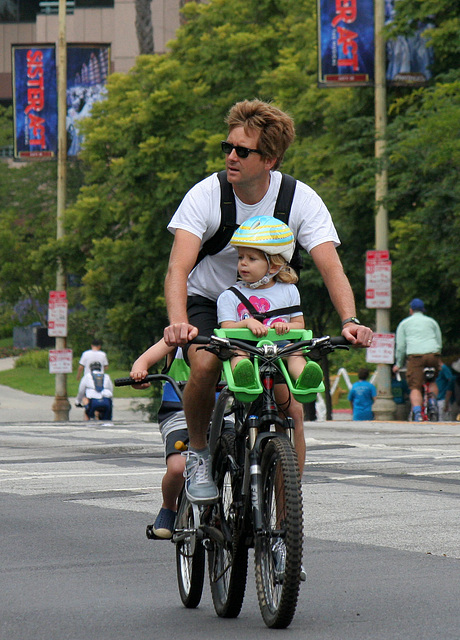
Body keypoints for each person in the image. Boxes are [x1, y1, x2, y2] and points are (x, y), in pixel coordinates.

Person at [163, 98, 373, 504]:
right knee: (205, 361)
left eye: (243, 150)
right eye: (227, 147)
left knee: (292, 409)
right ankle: (199, 454)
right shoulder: (207, 195)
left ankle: (283, 531)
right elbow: (177, 269)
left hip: (274, 310)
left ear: (270, 159)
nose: (230, 156)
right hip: (210, 302)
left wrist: (349, 319)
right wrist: (178, 322)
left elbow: (332, 267)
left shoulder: (300, 199)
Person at [217, 215, 323, 392]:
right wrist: (247, 323)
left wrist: (286, 326)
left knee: (294, 352)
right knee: (237, 353)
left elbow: (299, 325)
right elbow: (226, 328)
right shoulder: (230, 296)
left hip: (279, 348)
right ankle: (245, 378)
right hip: (244, 345)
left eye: (252, 258)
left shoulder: (289, 291)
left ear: (273, 267)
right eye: (240, 257)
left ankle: (305, 378)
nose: (243, 263)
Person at [130, 338, 188, 539]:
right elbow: (144, 360)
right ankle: (169, 506)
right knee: (177, 467)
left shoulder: (232, 333)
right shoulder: (180, 336)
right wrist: (139, 370)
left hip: (222, 413)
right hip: (180, 414)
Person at [392, 298, 442, 422]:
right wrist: (438, 357)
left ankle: (418, 412)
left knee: (415, 386)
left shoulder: (405, 323)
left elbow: (401, 346)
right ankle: (433, 403)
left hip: (416, 356)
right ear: (423, 310)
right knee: (433, 380)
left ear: (411, 310)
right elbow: (439, 341)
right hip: (433, 354)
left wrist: (398, 364)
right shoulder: (432, 322)